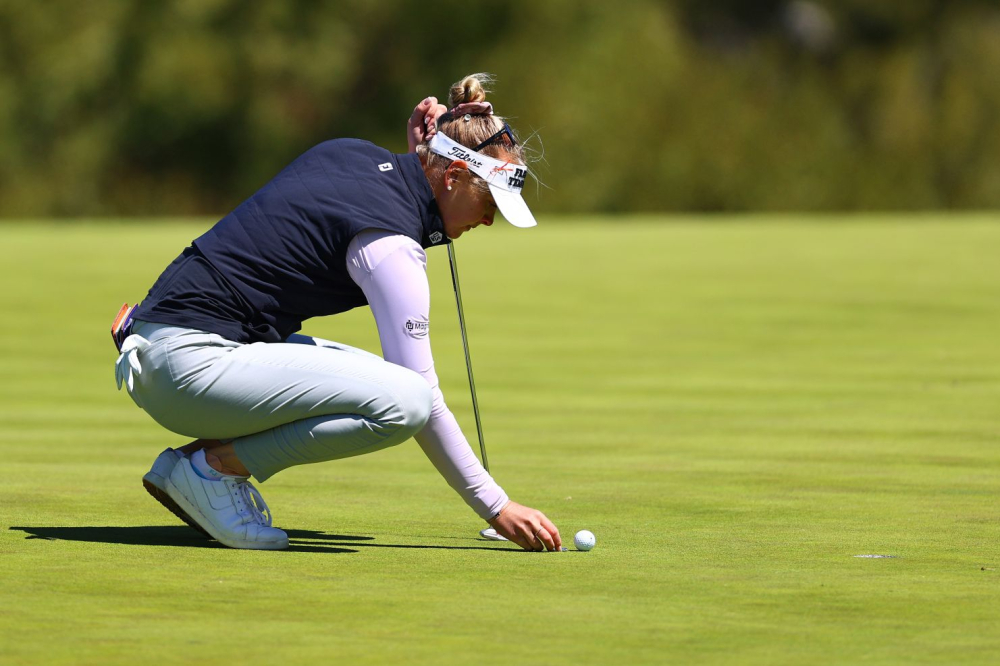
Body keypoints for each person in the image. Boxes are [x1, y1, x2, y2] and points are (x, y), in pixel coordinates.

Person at [112, 73, 562, 552]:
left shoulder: (351, 152)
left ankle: (193, 463)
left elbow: (382, 191)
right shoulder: (391, 245)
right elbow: (422, 397)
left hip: (167, 349)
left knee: (381, 382)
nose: (489, 219)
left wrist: (422, 161)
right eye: (489, 201)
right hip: (190, 366)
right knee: (405, 400)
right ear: (451, 176)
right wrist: (496, 506)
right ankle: (212, 471)